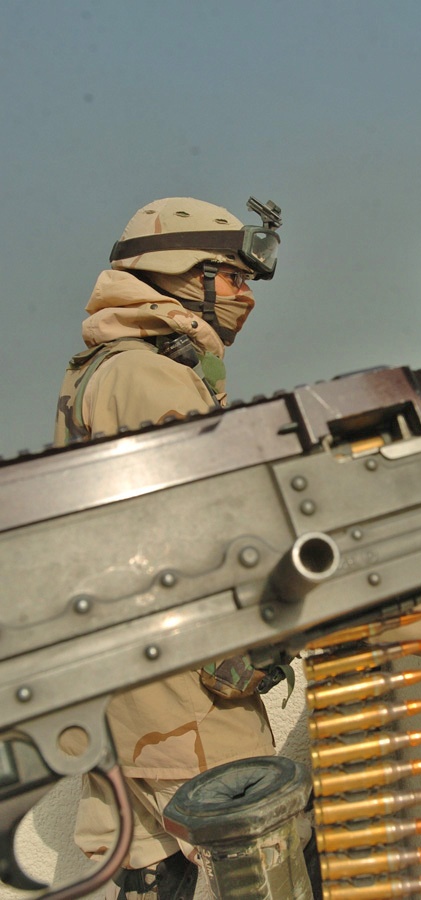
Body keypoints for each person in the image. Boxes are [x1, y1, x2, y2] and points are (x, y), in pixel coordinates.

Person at [53, 195, 310, 900]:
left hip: (128, 692)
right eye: (232, 278)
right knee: (263, 864)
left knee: (156, 874)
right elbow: (210, 533)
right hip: (183, 701)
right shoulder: (152, 377)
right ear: (178, 272)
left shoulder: (100, 370)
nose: (245, 298)